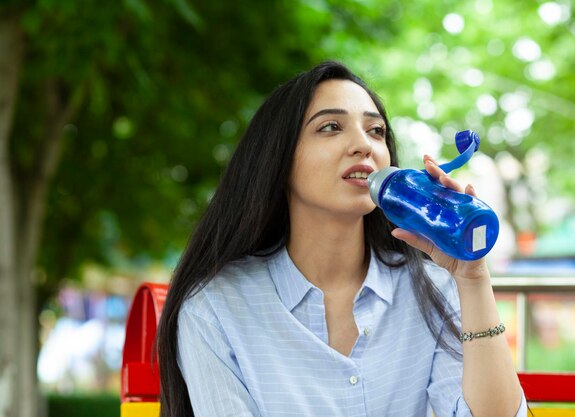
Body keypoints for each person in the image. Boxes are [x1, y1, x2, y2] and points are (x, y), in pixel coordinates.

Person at [157, 61, 526, 417]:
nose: (363, 145)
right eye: (331, 127)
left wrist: (473, 280)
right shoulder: (216, 307)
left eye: (376, 131)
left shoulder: (431, 290)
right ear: (279, 160)